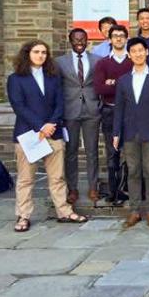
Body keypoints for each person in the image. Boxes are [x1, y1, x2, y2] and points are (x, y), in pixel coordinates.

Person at [7, 40, 87, 233]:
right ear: (27, 54)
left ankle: (64, 211)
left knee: (57, 177)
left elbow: (60, 103)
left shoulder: (53, 76)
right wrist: (40, 126)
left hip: (53, 132)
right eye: (36, 52)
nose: (41, 55)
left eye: (44, 52)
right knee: (26, 178)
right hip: (29, 134)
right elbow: (19, 106)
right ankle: (23, 215)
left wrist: (51, 124)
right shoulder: (16, 79)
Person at [113, 37, 149, 228]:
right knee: (133, 171)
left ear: (147, 52)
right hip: (129, 133)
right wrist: (115, 133)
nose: (137, 54)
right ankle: (134, 210)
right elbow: (118, 108)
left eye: (140, 50)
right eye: (133, 51)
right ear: (129, 55)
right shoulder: (123, 80)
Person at [55, 28, 102, 204]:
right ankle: (72, 188)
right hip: (70, 111)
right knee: (71, 152)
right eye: (76, 40)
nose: (80, 42)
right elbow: (57, 88)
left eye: (82, 39)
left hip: (92, 110)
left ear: (87, 40)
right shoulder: (60, 62)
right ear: (70, 41)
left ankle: (93, 187)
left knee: (92, 152)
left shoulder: (97, 60)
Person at [93, 25, 133, 203]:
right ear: (109, 39)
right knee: (112, 152)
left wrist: (113, 83)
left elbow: (134, 88)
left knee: (130, 152)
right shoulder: (102, 63)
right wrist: (121, 84)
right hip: (109, 110)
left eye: (121, 36)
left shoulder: (133, 61)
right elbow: (99, 88)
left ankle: (127, 189)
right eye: (115, 36)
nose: (118, 39)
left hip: (131, 112)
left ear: (126, 39)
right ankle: (113, 192)